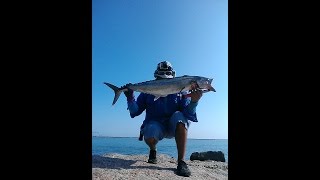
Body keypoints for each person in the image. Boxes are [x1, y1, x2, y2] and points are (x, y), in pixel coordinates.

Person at [123, 61, 203, 177]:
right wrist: (130, 97)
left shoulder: (181, 91)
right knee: (150, 131)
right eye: (161, 80)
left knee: (180, 117)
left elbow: (188, 115)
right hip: (155, 126)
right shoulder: (147, 91)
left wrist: (194, 101)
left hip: (173, 126)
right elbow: (135, 111)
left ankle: (181, 162)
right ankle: (153, 150)